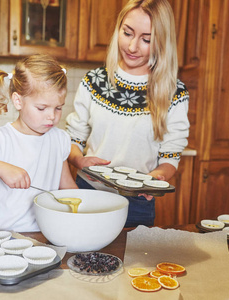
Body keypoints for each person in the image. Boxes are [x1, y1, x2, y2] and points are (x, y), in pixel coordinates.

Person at [66, 0, 190, 227]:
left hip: (137, 204)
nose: (133, 47)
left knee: (132, 264)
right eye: (127, 33)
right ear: (118, 30)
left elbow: (170, 158)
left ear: (162, 42)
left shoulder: (173, 92)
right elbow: (74, 138)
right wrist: (78, 159)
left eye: (146, 40)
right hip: (88, 193)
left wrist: (155, 179)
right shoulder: (94, 81)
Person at [0, 54, 78, 233]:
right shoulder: (0, 138)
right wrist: (3, 168)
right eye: (42, 108)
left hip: (43, 235)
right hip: (0, 238)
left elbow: (68, 188)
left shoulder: (59, 139)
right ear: (18, 101)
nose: (52, 116)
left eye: (58, 107)